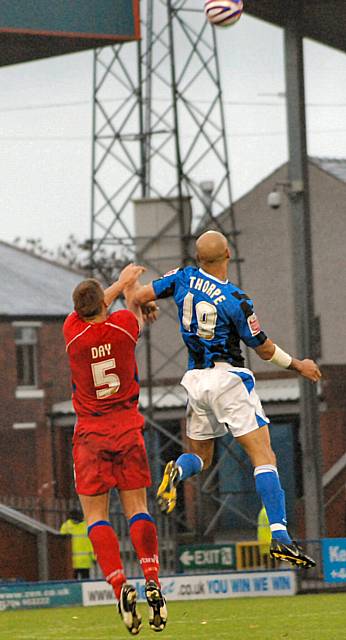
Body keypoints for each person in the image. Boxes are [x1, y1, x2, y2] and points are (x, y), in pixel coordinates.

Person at [129, 230, 321, 569]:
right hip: (228, 379)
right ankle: (280, 536)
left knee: (200, 456)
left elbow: (139, 295)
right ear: (228, 254)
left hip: (195, 381)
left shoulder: (183, 276)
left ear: (199, 258)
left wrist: (142, 301)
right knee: (264, 455)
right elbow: (262, 349)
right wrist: (298, 365)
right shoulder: (237, 299)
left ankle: (176, 470)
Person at [63, 264, 167, 635]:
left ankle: (119, 584)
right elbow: (132, 305)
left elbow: (94, 305)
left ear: (78, 311)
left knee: (96, 516)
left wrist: (119, 285)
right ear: (105, 306)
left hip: (90, 436)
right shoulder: (123, 326)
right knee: (137, 508)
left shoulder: (72, 334)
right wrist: (130, 286)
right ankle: (152, 577)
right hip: (127, 430)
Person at [60, 509, 95, 579]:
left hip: (81, 561)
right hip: (73, 561)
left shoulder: (86, 526)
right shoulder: (66, 526)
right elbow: (61, 543)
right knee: (74, 581)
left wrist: (94, 557)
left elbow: (91, 542)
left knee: (83, 581)